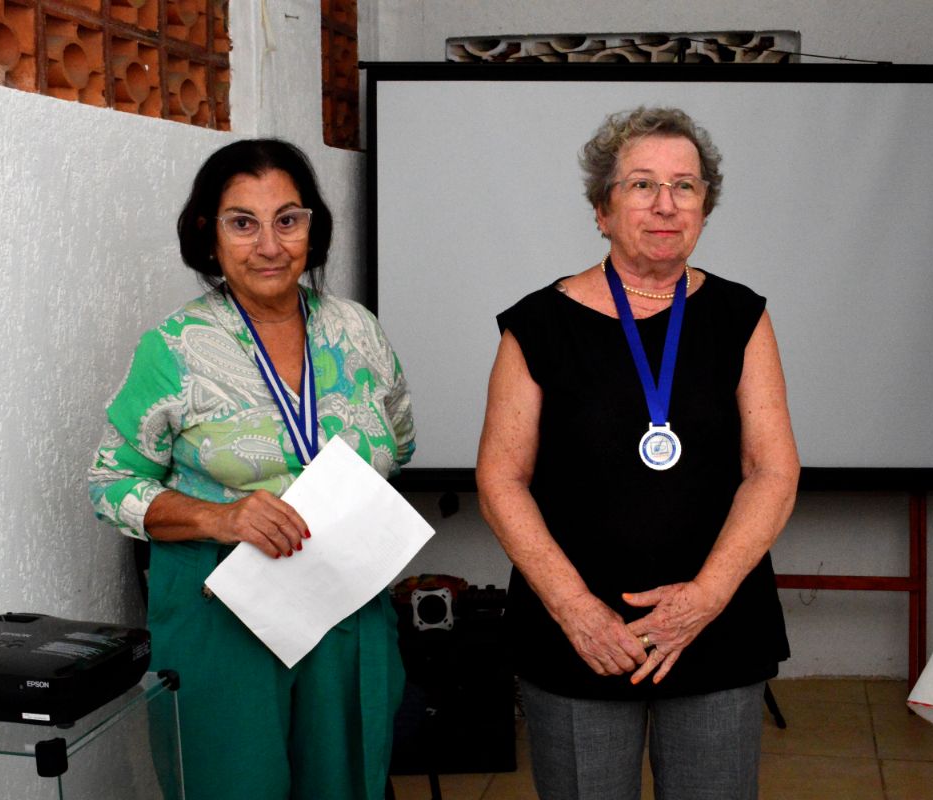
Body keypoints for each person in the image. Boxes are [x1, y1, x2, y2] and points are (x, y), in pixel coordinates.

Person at [476, 107, 799, 800]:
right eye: (642, 185)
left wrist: (705, 598)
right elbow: (501, 479)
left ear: (704, 206)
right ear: (602, 209)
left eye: (685, 186)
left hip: (714, 625)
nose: (665, 204)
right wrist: (575, 609)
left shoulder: (740, 316)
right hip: (579, 635)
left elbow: (772, 470)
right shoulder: (538, 324)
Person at [88, 138, 415, 800]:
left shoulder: (357, 332)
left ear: (312, 229)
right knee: (234, 786)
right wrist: (220, 516)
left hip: (344, 605)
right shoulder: (174, 348)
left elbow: (398, 442)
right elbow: (110, 484)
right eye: (243, 223)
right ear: (208, 236)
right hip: (225, 609)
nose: (269, 245)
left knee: (346, 785)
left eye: (287, 220)